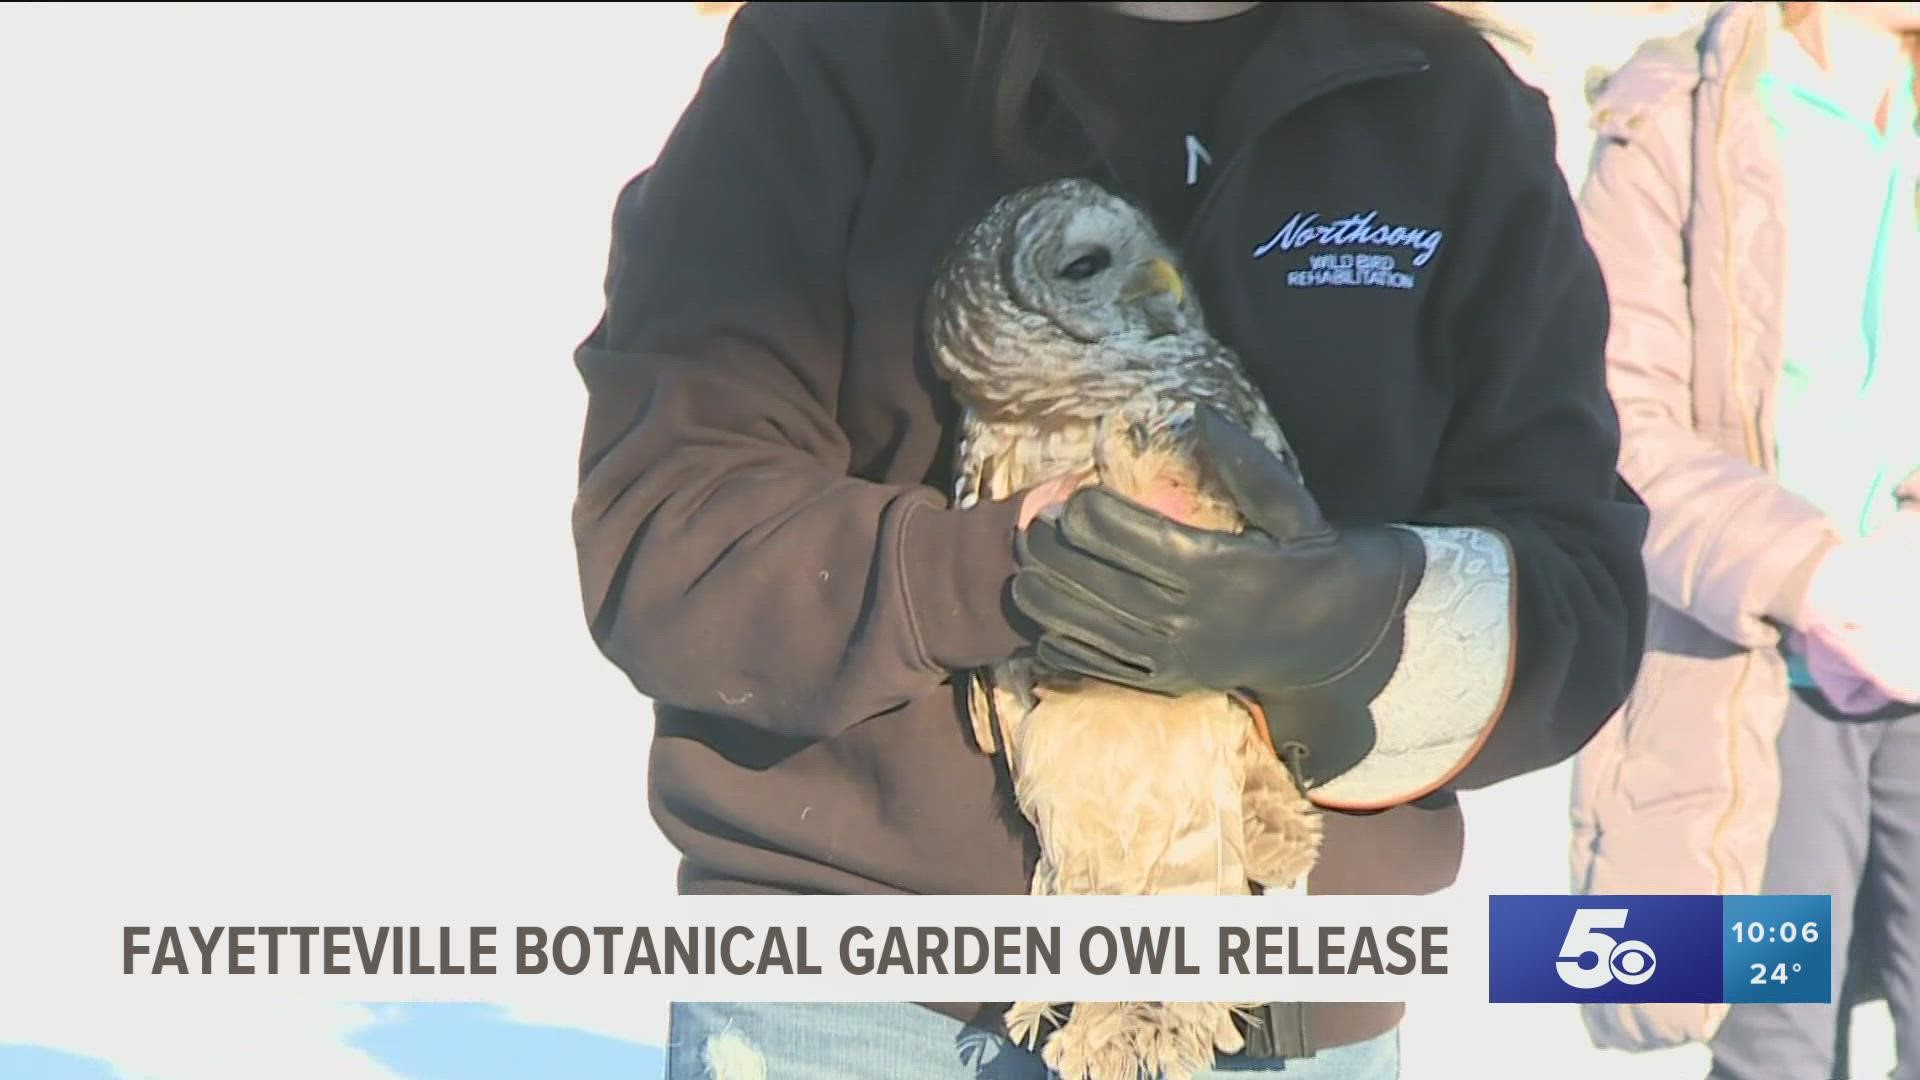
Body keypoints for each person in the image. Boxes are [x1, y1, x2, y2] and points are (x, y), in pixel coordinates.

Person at [571, 2, 1650, 1076]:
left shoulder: (1439, 105)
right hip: (869, 992)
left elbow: (1580, 594)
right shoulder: (847, 51)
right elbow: (670, 529)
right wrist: (997, 571)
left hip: (1270, 1005)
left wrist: (1350, 620)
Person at [1570, 3, 1920, 1077]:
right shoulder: (1668, 110)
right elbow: (1610, 416)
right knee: (1769, 1043)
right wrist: (1816, 577)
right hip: (1744, 677)